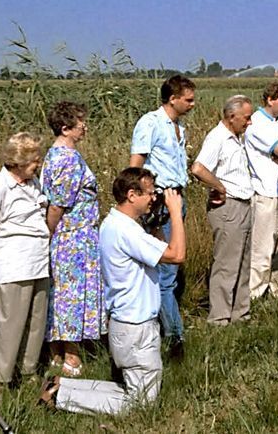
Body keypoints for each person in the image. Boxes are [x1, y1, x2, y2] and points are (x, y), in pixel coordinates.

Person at [40, 167, 186, 415]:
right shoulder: (127, 231)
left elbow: (157, 248)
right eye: (149, 193)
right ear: (132, 194)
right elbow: (176, 254)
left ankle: (61, 386)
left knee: (129, 389)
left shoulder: (115, 223)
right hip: (136, 327)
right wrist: (175, 213)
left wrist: (156, 224)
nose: (154, 198)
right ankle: (61, 397)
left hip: (125, 324)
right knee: (141, 404)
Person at [129, 75, 195, 358]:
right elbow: (135, 165)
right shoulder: (150, 123)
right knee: (166, 268)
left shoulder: (178, 127)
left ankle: (167, 326)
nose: (193, 104)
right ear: (173, 98)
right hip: (159, 202)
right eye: (188, 99)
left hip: (176, 197)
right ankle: (174, 336)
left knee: (172, 269)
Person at [41, 102, 106, 378]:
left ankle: (56, 351)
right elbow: (58, 205)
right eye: (81, 123)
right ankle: (71, 355)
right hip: (73, 238)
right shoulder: (67, 158)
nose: (85, 127)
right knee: (71, 295)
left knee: (62, 292)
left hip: (74, 235)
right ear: (66, 128)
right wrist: (50, 232)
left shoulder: (56, 154)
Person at [0, 132, 49, 395]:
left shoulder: (33, 184)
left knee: (35, 322)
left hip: (38, 261)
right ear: (18, 162)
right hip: (11, 264)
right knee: (6, 325)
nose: (38, 165)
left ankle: (28, 371)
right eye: (34, 160)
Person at [191, 95, 255, 326]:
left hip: (244, 203)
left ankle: (240, 313)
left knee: (244, 262)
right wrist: (218, 186)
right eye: (246, 118)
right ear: (231, 116)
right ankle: (219, 318)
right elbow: (198, 168)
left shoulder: (237, 138)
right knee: (227, 263)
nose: (249, 122)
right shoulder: (217, 138)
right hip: (229, 207)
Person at [245, 82, 278, 301]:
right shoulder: (257, 124)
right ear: (270, 100)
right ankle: (254, 295)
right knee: (262, 248)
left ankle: (277, 291)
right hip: (266, 192)